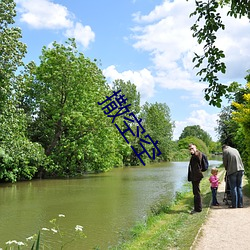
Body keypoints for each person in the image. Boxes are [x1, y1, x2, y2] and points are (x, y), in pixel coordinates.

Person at [188, 143, 204, 214]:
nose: (191, 150)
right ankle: (197, 208)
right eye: (190, 149)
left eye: (192, 148)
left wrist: (194, 152)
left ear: (195, 148)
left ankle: (198, 209)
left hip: (196, 176)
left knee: (196, 192)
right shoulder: (194, 155)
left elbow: (198, 158)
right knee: (196, 192)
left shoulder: (198, 154)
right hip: (195, 176)